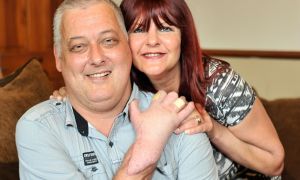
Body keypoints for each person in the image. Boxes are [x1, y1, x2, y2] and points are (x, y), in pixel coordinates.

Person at [52, 0, 285, 179]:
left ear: (183, 37)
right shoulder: (126, 86)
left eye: (165, 29)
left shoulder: (218, 82)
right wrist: (72, 94)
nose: (152, 41)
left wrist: (211, 128)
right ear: (122, 39)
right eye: (139, 29)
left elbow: (274, 162)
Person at [15, 0, 218, 179]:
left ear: (128, 48)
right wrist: (146, 147)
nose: (96, 58)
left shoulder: (182, 120)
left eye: (108, 41)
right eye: (78, 46)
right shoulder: (38, 128)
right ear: (59, 59)